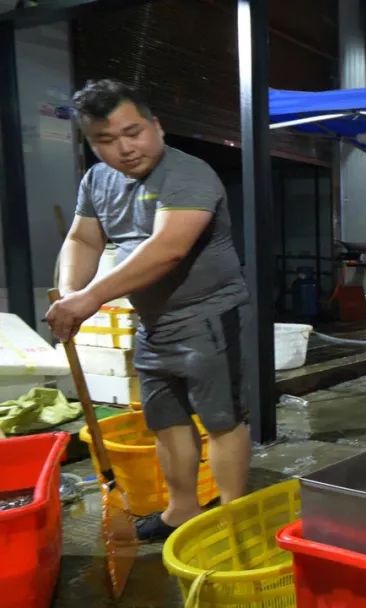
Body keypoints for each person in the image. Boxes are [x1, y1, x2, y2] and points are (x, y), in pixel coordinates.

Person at [46, 79, 252, 541]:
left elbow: (168, 250)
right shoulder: (97, 180)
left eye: (132, 131)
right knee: (166, 419)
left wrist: (89, 298)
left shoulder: (188, 173)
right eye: (105, 139)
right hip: (153, 323)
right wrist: (68, 292)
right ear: (91, 142)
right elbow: (82, 238)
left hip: (209, 318)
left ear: (156, 126)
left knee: (222, 420)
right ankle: (181, 510)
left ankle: (233, 516)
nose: (123, 148)